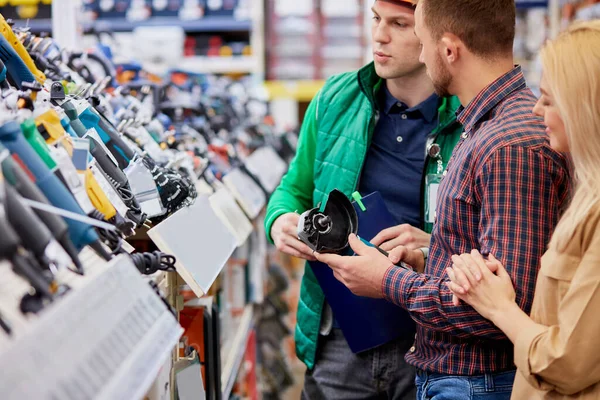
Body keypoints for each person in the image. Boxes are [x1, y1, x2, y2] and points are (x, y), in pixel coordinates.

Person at [314, 0, 572, 399]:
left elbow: (501, 311)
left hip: (478, 383)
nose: (420, 53)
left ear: (449, 50)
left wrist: (387, 281)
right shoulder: (483, 127)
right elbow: (485, 269)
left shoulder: (509, 145)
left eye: (422, 39)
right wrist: (430, 258)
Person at [265, 0, 464, 398]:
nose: (379, 35)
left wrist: (434, 248)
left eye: (399, 24)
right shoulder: (335, 100)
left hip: (430, 340)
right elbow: (294, 188)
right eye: (375, 19)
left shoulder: (468, 116)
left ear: (434, 33)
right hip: (340, 336)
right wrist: (280, 220)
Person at [447, 21, 600, 400]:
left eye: (549, 99)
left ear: (581, 106)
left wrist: (499, 307)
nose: (537, 109)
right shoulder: (586, 195)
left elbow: (566, 362)